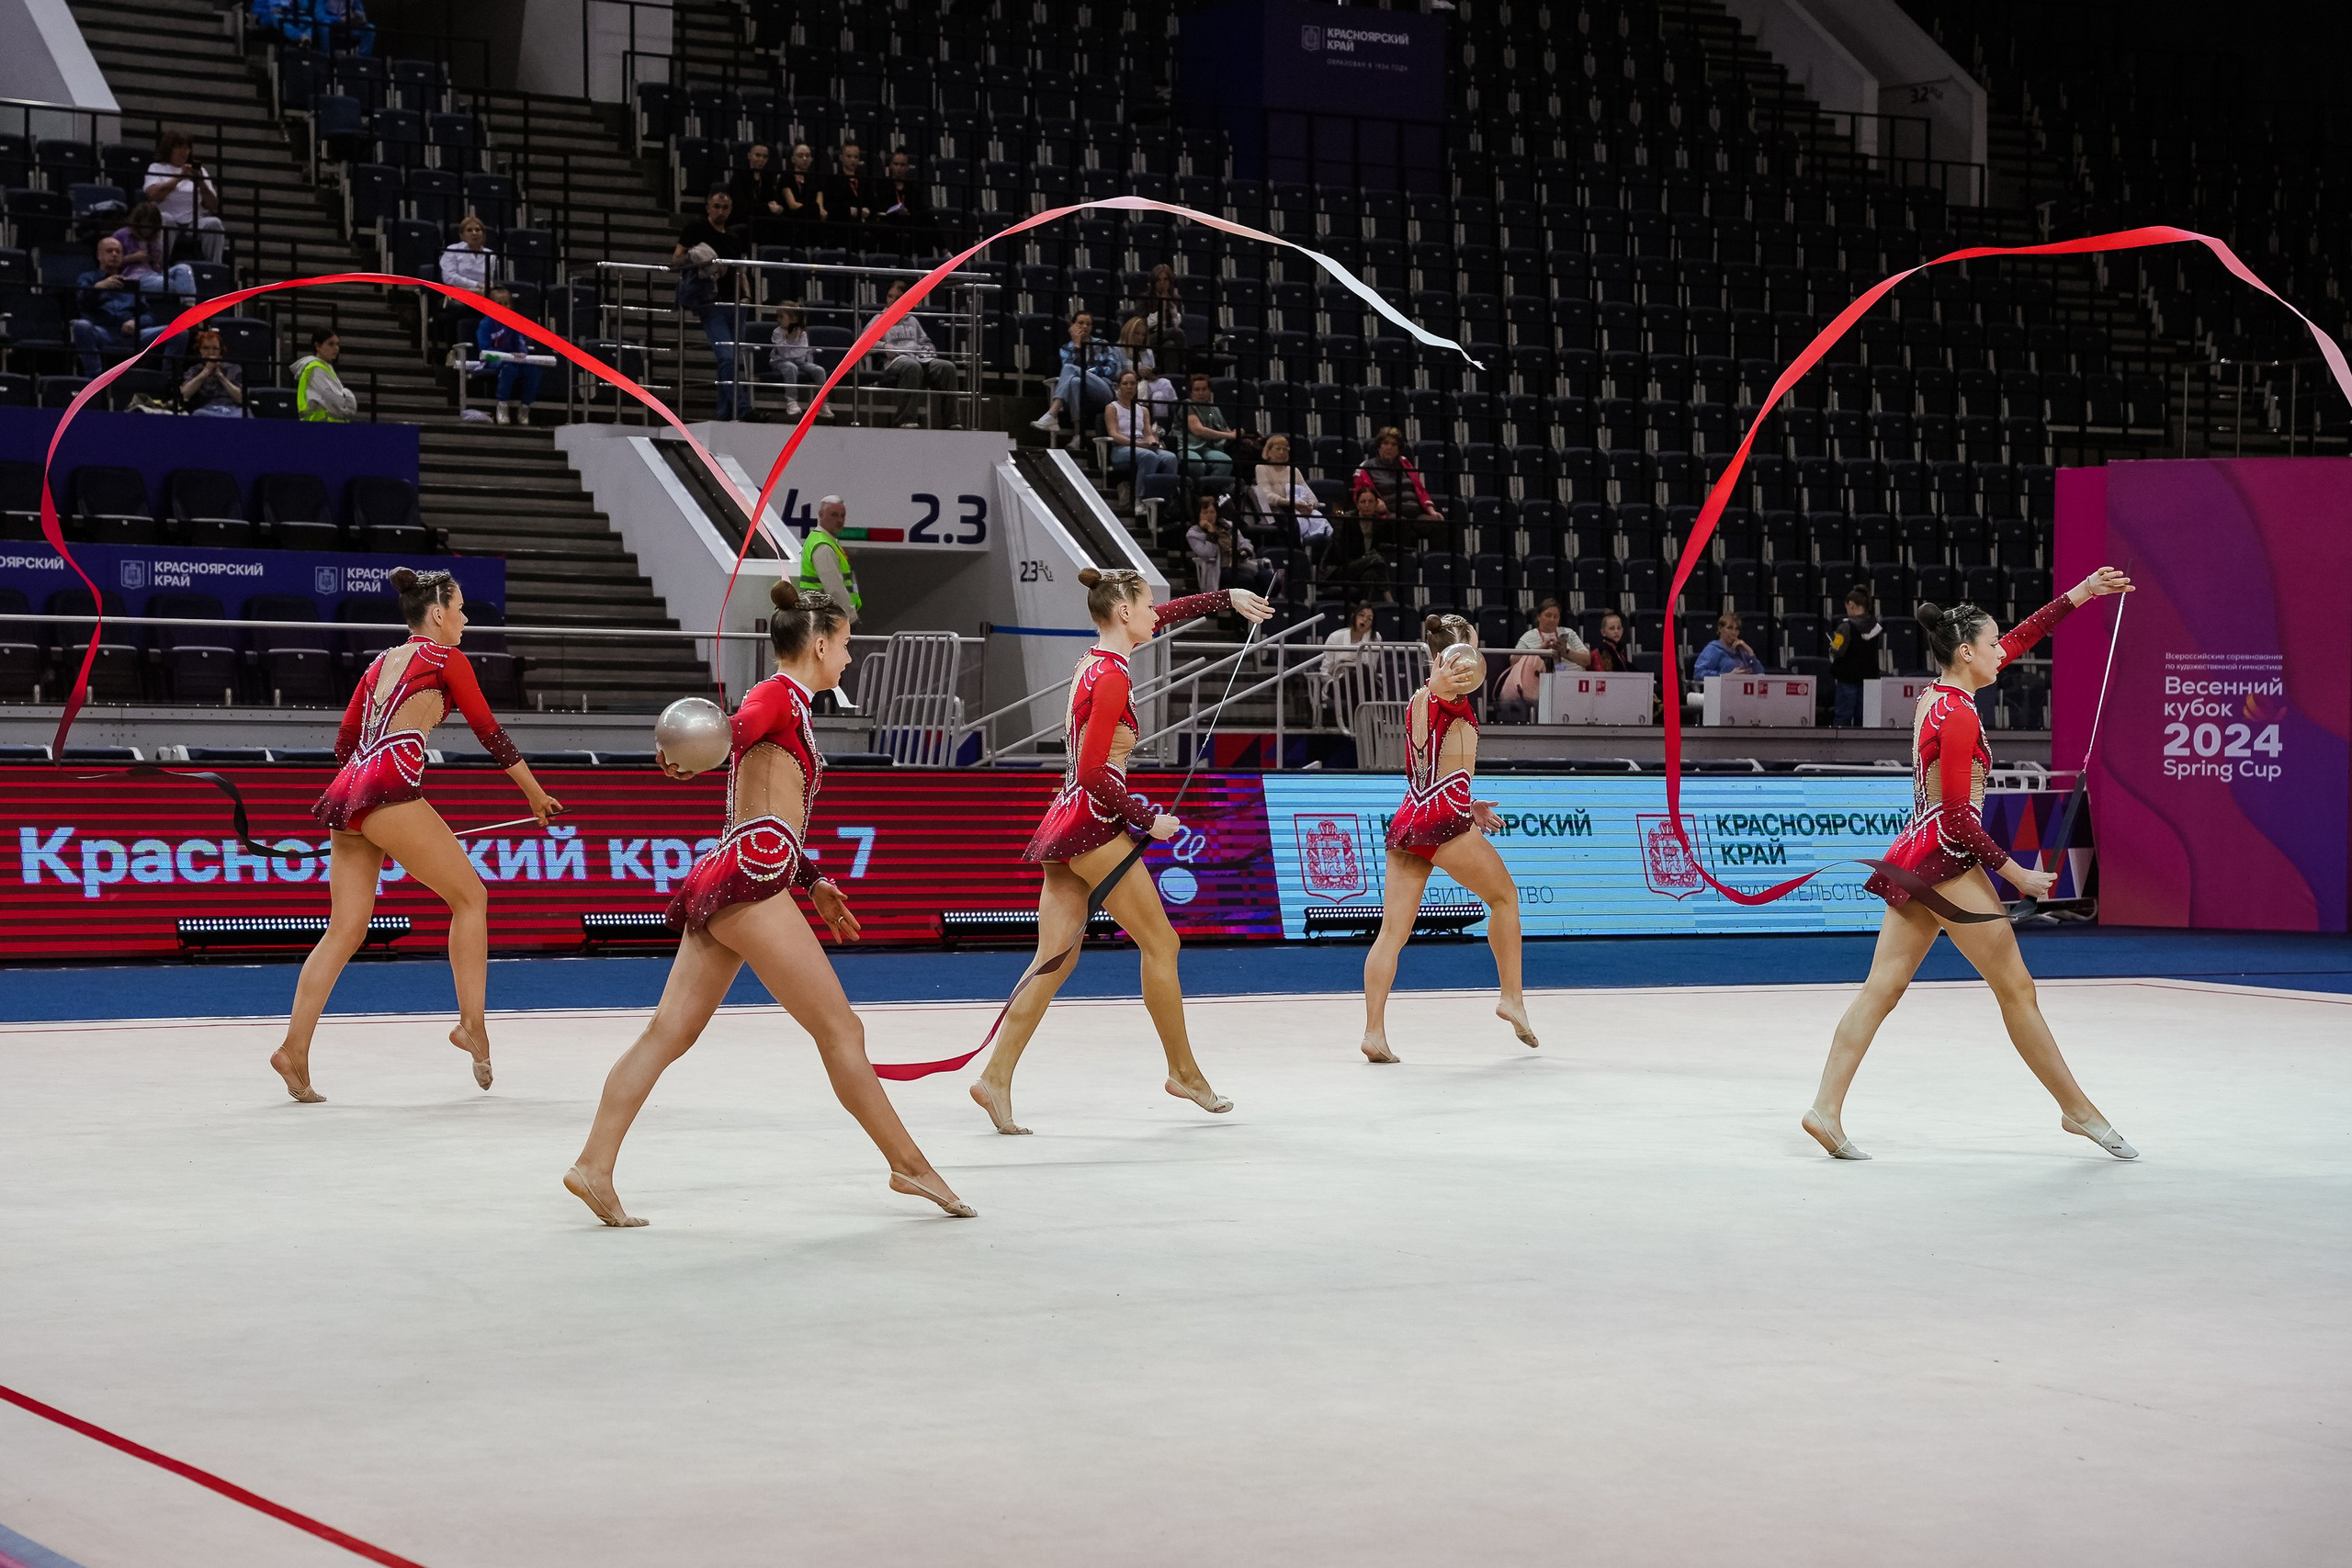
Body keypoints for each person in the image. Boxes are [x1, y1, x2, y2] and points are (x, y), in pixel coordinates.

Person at [563, 581, 972, 1226]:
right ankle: (909, 1164)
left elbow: (767, 812)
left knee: (669, 1031)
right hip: (751, 876)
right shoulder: (775, 696)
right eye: (845, 643)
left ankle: (594, 1164)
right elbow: (736, 730)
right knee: (842, 1030)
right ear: (817, 643)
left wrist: (813, 882)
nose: (849, 655)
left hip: (742, 869)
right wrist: (695, 745)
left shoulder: (792, 705)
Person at [1804, 570, 2138, 1163]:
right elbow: (1959, 818)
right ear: (1966, 652)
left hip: (1917, 854)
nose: (2003, 652)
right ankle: (2076, 1109)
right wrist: (2018, 874)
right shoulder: (1957, 716)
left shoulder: (1939, 697)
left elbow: (2025, 636)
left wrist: (2079, 596)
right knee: (2017, 988)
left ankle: (1825, 1108)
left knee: (1883, 987)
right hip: (1946, 860)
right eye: (1992, 645)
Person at [968, 568, 1273, 1134]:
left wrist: (1222, 599)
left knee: (1054, 959)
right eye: (1148, 604)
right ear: (1125, 612)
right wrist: (1147, 818)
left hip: (1069, 818)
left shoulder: (1094, 662)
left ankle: (996, 1077)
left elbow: (1162, 613)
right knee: (1162, 941)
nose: (1157, 612)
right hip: (1093, 819)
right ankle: (1183, 1072)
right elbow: (1090, 771)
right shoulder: (1112, 677)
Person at [271, 568, 560, 1102]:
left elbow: (345, 739)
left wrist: (361, 798)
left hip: (348, 789)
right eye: (460, 608)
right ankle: (472, 1025)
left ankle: (294, 1049)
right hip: (388, 788)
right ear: (437, 614)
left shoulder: (380, 663)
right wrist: (535, 794)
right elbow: (489, 732)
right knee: (471, 897)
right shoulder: (447, 659)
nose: (466, 618)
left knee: (345, 930)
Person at [1360, 614, 1538, 1064]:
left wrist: (1470, 802)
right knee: (1505, 898)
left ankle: (1374, 1033)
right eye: (1470, 653)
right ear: (1453, 658)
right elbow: (1423, 723)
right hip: (1438, 821)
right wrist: (1436, 685)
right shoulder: (1427, 698)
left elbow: (1446, 766)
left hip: (1421, 818)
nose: (1474, 664)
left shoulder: (1455, 702)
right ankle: (1511, 997)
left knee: (1393, 932)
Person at [673, 187, 748, 421]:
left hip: (734, 304)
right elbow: (675, 260)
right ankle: (743, 408)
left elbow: (740, 270)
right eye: (716, 207)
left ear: (731, 210)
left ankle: (724, 414)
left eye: (725, 208)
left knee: (731, 360)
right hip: (709, 302)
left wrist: (746, 296)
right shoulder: (696, 229)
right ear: (708, 207)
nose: (720, 212)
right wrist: (697, 258)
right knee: (726, 356)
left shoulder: (734, 238)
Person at [871, 277, 959, 427]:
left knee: (948, 368)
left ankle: (951, 422)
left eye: (897, 298)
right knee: (912, 366)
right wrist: (885, 346)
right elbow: (865, 343)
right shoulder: (879, 319)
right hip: (894, 362)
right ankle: (906, 420)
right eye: (890, 296)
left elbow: (925, 341)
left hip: (919, 359)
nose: (892, 301)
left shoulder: (912, 320)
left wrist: (928, 350)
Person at [1032, 310, 1125, 441]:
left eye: (1088, 324)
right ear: (1072, 325)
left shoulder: (1101, 344)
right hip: (1078, 392)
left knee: (1071, 369)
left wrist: (1090, 372)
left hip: (1103, 389)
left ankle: (1052, 413)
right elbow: (1068, 375)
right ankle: (1078, 435)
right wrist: (1077, 346)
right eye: (1080, 323)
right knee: (1075, 381)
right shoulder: (1066, 348)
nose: (1085, 327)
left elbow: (1113, 369)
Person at [141, 130, 226, 264]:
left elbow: (213, 205)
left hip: (195, 222)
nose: (184, 152)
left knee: (215, 223)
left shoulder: (200, 171)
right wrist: (179, 178)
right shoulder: (157, 168)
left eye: (187, 148)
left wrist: (201, 183)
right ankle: (159, 265)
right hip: (169, 217)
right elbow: (153, 195)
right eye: (179, 147)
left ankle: (214, 267)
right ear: (169, 149)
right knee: (164, 219)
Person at [1498, 597, 1589, 722]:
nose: (1552, 620)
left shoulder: (1569, 633)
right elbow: (1513, 661)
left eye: (1556, 616)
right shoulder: (1529, 636)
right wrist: (1540, 650)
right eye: (1548, 615)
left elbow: (1586, 660)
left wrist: (1566, 652)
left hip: (1573, 682)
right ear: (1539, 617)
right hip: (1541, 686)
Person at [1352, 427, 1447, 545]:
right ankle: (1405, 561)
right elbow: (1360, 492)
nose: (1389, 447)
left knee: (1438, 524)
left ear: (1399, 449)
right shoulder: (1366, 467)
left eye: (1394, 444)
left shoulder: (1404, 463)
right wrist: (1376, 502)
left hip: (1416, 513)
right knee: (1401, 523)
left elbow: (1420, 488)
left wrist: (1431, 510)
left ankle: (1441, 562)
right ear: (1378, 446)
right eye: (1385, 443)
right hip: (1389, 514)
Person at [71, 237, 143, 377]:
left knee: (177, 332)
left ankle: (169, 381)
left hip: (130, 334)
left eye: (118, 252)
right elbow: (82, 303)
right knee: (81, 326)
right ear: (99, 256)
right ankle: (95, 378)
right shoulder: (88, 278)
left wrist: (136, 322)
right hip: (102, 331)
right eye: (110, 251)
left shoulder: (131, 283)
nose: (115, 254)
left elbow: (147, 314)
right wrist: (99, 287)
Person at [1252, 434, 1334, 556]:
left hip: (1299, 510)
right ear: (1268, 451)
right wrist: (1291, 503)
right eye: (1278, 448)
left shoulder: (1293, 471)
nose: (1281, 452)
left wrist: (1310, 505)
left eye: (1285, 449)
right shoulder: (1261, 468)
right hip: (1275, 513)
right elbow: (1267, 496)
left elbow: (1311, 496)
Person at [475, 283, 542, 423]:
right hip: (492, 357)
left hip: (512, 358)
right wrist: (503, 355)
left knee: (533, 371)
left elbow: (520, 342)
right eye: (498, 303)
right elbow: (484, 349)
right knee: (508, 369)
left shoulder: (514, 322)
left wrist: (521, 353)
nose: (502, 307)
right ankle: (502, 405)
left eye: (506, 304)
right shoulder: (485, 324)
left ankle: (525, 407)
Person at [1185, 495, 1272, 597]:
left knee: (1268, 579)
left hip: (1241, 564)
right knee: (1247, 579)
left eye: (1212, 512)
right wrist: (1211, 532)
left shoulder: (1228, 525)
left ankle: (1265, 605)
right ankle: (1259, 606)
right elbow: (1209, 554)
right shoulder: (1194, 534)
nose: (1209, 516)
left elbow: (1245, 542)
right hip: (1219, 569)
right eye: (1205, 513)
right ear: (1198, 514)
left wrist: (1244, 551)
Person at [797, 495, 862, 626]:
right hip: (826, 617)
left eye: (842, 516)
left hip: (819, 615)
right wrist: (850, 618)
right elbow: (834, 588)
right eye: (834, 515)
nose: (839, 520)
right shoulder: (823, 546)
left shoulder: (819, 540)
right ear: (820, 514)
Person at [1829, 584, 1883, 728]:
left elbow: (1837, 651)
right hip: (1870, 680)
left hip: (1847, 679)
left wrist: (1832, 646)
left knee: (1843, 718)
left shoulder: (1844, 627)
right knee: (1865, 720)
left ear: (1851, 605)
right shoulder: (1876, 627)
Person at [1319, 600, 1379, 724]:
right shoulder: (1335, 637)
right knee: (1358, 678)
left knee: (1361, 673)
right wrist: (1341, 663)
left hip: (1363, 682)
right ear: (1354, 616)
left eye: (1370, 618)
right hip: (1337, 682)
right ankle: (1363, 723)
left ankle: (1355, 724)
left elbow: (1371, 668)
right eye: (1361, 615)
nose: (1365, 620)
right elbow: (1325, 673)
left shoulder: (1375, 638)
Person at [768, 300, 822, 416]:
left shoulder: (802, 333)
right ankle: (791, 400)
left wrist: (789, 352)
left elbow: (801, 351)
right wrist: (790, 340)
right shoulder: (777, 332)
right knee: (791, 367)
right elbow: (782, 353)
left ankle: (822, 403)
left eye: (781, 316)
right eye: (778, 316)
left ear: (793, 319)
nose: (778, 319)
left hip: (800, 362)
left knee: (819, 370)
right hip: (779, 362)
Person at [1177, 371, 1236, 475]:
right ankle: (1194, 489)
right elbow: (1198, 430)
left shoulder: (1214, 408)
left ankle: (1211, 489)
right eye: (1197, 390)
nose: (1201, 393)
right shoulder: (1186, 405)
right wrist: (1229, 435)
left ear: (1209, 391)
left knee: (1225, 462)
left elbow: (1226, 429)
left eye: (1204, 389)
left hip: (1208, 448)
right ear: (1190, 392)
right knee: (1197, 464)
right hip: (1188, 447)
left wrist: (1236, 433)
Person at [293, 327, 358, 422]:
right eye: (331, 344)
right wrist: (347, 394)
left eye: (337, 344)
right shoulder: (316, 369)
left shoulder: (325, 368)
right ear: (318, 346)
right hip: (322, 426)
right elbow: (338, 402)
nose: (336, 348)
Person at [1136, 264, 1187, 378]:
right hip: (1149, 337)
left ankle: (1171, 381)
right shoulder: (1145, 298)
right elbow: (1141, 325)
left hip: (1168, 338)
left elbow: (1178, 323)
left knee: (1170, 345)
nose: (1162, 283)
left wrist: (1171, 306)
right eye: (1158, 280)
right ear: (1153, 282)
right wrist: (1161, 307)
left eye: (1165, 279)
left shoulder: (1176, 299)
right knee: (1177, 333)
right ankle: (1186, 364)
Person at [178, 328, 244, 417]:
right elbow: (185, 394)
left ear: (221, 351)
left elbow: (241, 398)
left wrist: (221, 376)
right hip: (206, 409)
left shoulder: (234, 368)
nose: (211, 352)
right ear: (199, 351)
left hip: (232, 409)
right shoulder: (194, 370)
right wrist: (205, 372)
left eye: (215, 349)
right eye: (206, 348)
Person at [728, 141, 786, 238]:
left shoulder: (767, 177)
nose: (761, 159)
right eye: (757, 155)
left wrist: (778, 207)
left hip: (761, 217)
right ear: (749, 156)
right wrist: (767, 208)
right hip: (742, 217)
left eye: (765, 157)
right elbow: (741, 206)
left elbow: (772, 200)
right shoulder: (739, 176)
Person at [1693, 611, 1764, 680]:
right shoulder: (1713, 649)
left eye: (1737, 629)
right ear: (1720, 629)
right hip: (1722, 689)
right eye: (1730, 628)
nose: (1733, 633)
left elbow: (1760, 673)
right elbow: (1699, 673)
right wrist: (1727, 676)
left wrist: (1750, 652)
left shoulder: (1741, 650)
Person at [819, 141, 873, 230]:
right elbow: (830, 206)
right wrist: (848, 211)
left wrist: (868, 211)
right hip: (842, 225)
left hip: (863, 223)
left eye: (856, 157)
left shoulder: (864, 180)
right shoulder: (833, 180)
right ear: (841, 158)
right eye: (849, 156)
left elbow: (872, 203)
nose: (853, 160)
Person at [876, 147, 928, 233]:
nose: (899, 168)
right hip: (890, 221)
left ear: (907, 167)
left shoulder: (912, 187)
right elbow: (881, 208)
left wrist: (908, 213)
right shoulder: (883, 184)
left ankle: (942, 247)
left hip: (909, 221)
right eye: (896, 164)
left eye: (902, 165)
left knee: (928, 217)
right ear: (891, 166)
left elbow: (921, 208)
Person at [778, 141, 822, 237]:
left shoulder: (815, 179)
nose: (805, 158)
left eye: (807, 155)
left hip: (812, 217)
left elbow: (820, 204)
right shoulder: (786, 177)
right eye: (800, 155)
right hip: (793, 216)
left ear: (811, 159)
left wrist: (820, 210)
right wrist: (811, 209)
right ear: (793, 159)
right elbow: (792, 204)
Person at [1587, 606, 1640, 672]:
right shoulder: (1604, 649)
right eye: (1612, 628)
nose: (1616, 631)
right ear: (1603, 632)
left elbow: (1626, 666)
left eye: (1619, 628)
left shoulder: (1619, 648)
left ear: (1622, 630)